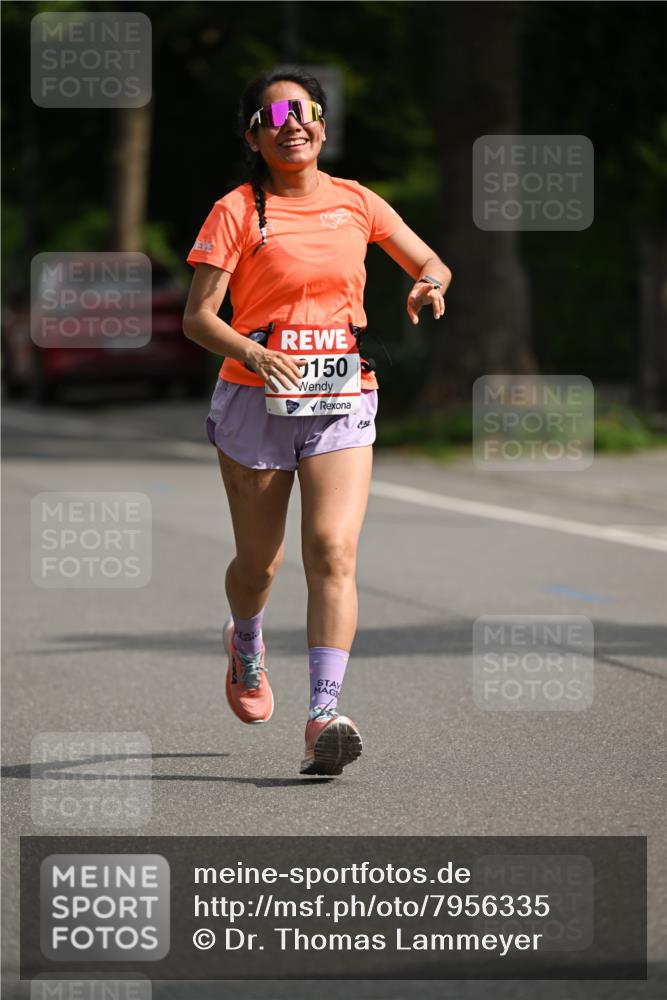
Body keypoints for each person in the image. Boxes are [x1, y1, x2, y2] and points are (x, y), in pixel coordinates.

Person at [183, 69, 451, 777]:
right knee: (259, 565)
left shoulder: (357, 203)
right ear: (253, 135)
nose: (291, 123)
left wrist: (428, 283)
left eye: (303, 111)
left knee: (332, 551)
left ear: (323, 127)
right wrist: (251, 351)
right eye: (273, 115)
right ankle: (245, 642)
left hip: (340, 396)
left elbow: (428, 260)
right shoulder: (237, 210)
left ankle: (322, 716)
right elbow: (198, 318)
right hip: (254, 399)